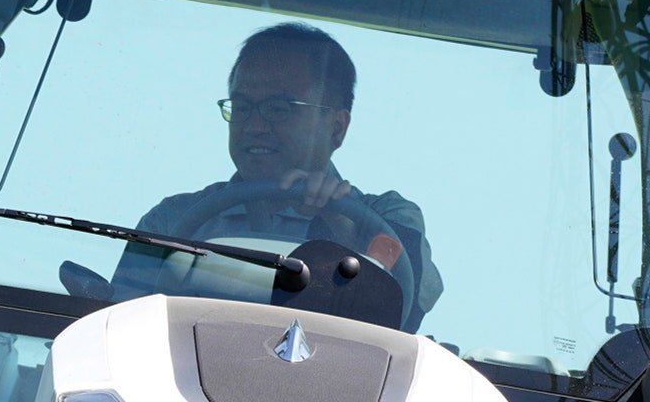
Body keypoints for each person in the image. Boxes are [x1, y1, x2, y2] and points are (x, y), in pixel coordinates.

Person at [102, 22, 441, 327]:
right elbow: (122, 331)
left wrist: (343, 228)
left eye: (278, 109)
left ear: (337, 127)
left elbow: (403, 317)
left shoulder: (389, 217)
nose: (255, 126)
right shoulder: (172, 221)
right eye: (243, 107)